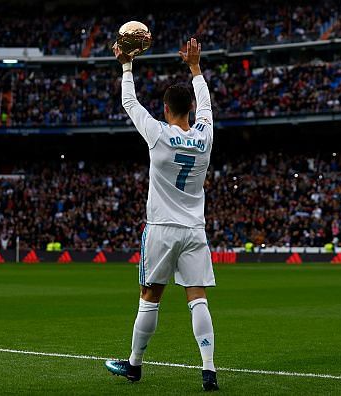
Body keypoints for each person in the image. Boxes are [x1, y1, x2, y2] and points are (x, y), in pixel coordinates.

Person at [105, 38, 219, 391]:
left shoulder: (159, 135)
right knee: (197, 297)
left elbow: (129, 102)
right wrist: (196, 68)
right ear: (190, 108)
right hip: (194, 230)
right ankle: (209, 370)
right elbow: (207, 109)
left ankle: (135, 366)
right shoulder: (205, 137)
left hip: (161, 229)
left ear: (166, 109)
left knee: (150, 296)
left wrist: (126, 64)